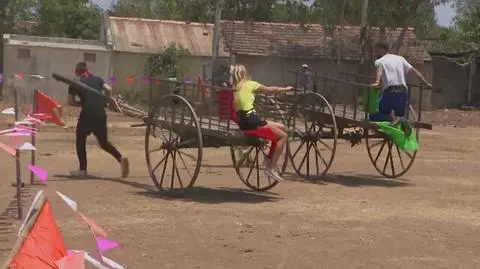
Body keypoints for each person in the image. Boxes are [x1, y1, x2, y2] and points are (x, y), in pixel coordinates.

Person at [68, 62, 129, 178]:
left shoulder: (75, 82)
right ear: (87, 70)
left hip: (87, 115)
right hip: (100, 115)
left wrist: (82, 103)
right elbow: (108, 89)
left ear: (76, 71)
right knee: (104, 143)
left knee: (80, 139)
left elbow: (70, 101)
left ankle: (82, 169)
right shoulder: (97, 79)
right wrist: (104, 101)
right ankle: (120, 159)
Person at [232, 64, 292, 181]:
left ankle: (269, 158)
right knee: (283, 136)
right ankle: (271, 166)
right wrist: (285, 89)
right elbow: (270, 90)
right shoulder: (249, 84)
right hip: (252, 121)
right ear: (245, 74)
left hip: (244, 122)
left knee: (282, 127)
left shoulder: (235, 89)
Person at [370, 42, 432, 131]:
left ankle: (393, 120)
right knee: (400, 116)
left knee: (375, 116)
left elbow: (379, 69)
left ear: (381, 50)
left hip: (390, 93)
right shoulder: (400, 59)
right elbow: (414, 71)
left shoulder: (380, 61)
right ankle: (400, 121)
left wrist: (377, 82)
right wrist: (426, 83)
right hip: (403, 94)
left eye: (376, 51)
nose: (375, 54)